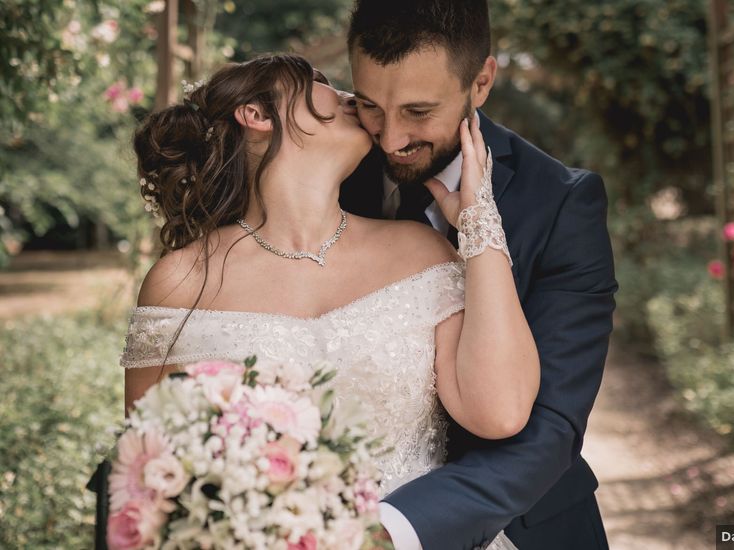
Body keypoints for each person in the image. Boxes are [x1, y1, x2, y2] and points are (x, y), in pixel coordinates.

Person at [110, 52, 535, 550]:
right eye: (317, 82)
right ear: (257, 114)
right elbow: (145, 476)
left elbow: (501, 411)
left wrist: (478, 223)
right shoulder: (181, 280)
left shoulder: (418, 250)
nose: (350, 97)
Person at [339, 1, 618, 549]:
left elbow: (551, 429)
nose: (390, 138)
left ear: (482, 81)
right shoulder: (329, 173)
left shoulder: (562, 204)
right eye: (370, 105)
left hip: (522, 530)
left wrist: (393, 530)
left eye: (419, 112)